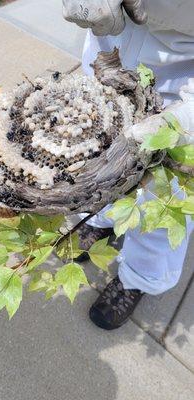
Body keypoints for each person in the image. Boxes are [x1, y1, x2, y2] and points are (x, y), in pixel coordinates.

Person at [62, 0, 194, 330]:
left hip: (179, 81)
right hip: (112, 48)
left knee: (161, 205)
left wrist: (186, 119)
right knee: (96, 156)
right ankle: (100, 219)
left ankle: (139, 277)